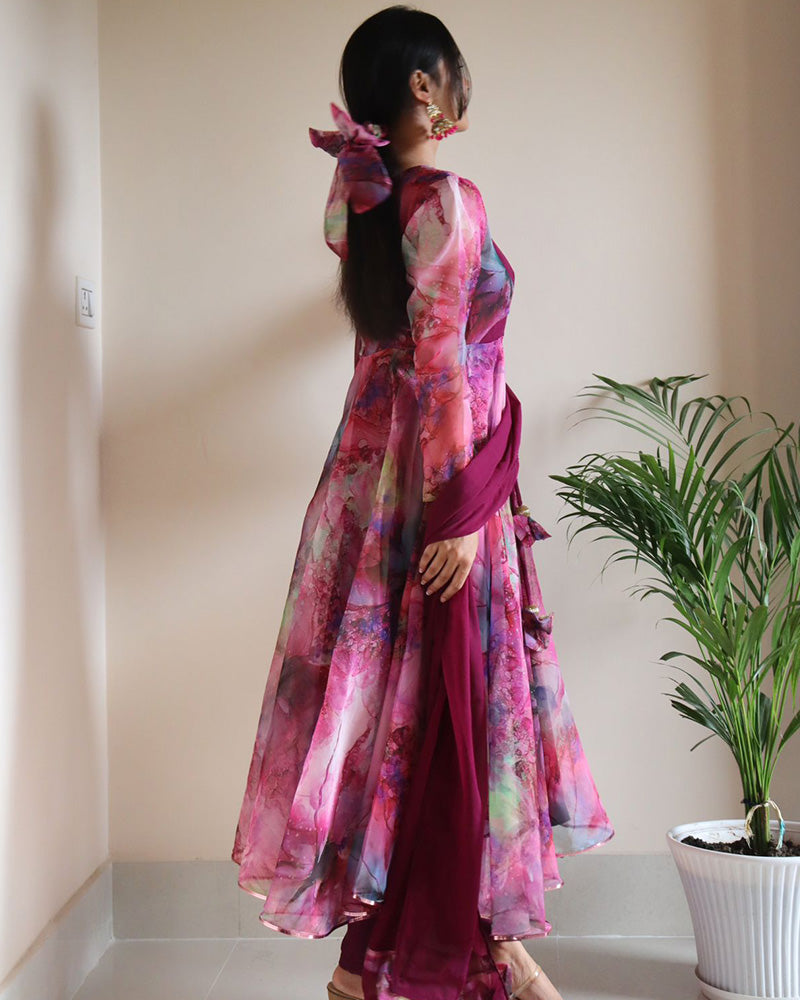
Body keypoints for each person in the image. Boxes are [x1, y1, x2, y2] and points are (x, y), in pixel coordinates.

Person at [230, 7, 614, 1000]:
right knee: (441, 714)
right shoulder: (446, 199)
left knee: (391, 723)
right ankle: (446, 957)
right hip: (439, 488)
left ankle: (427, 957)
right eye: (456, 71)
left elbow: (402, 353)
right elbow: (441, 366)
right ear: (423, 86)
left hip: (367, 489)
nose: (463, 86)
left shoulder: (355, 202)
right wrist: (464, 515)